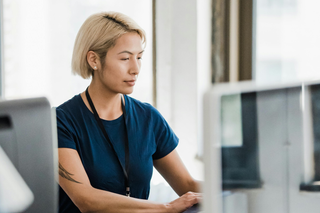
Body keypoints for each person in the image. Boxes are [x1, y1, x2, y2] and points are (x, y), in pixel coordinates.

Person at [57, 11, 201, 213]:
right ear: (94, 60)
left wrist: (240, 189)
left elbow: (187, 185)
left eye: (139, 57)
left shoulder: (148, 118)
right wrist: (165, 208)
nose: (136, 69)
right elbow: (86, 200)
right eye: (125, 58)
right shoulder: (61, 122)